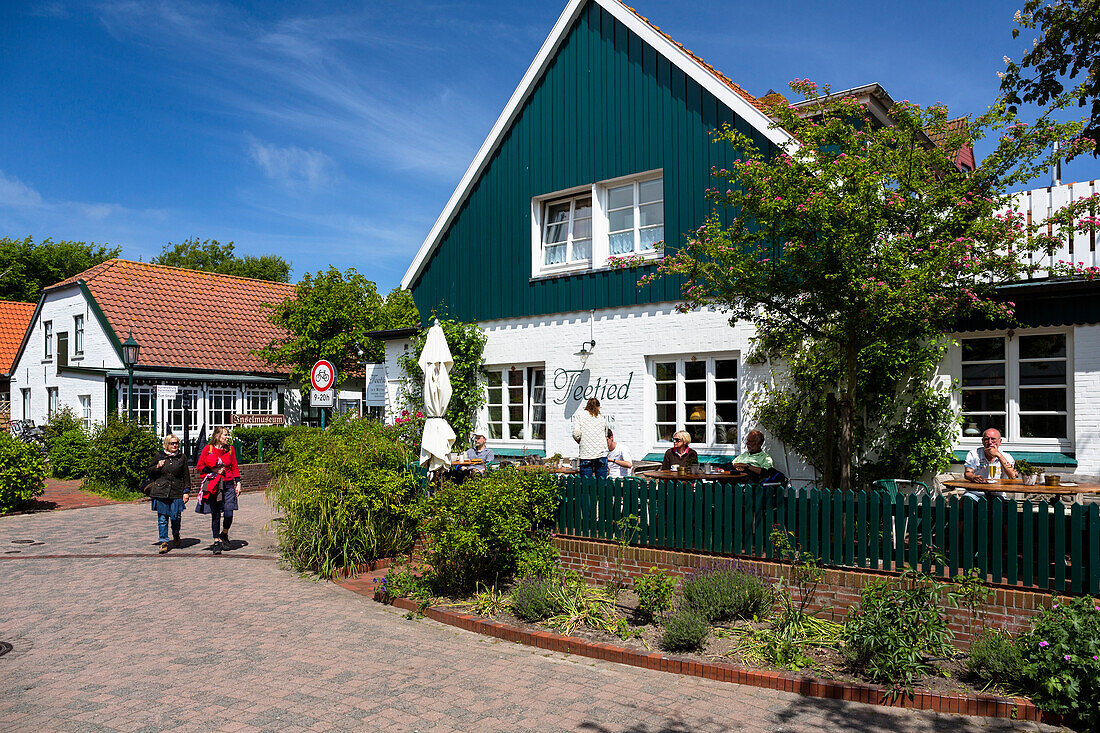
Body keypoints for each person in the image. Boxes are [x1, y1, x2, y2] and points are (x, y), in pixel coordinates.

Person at [195, 426, 241, 554]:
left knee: (229, 513)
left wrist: (238, 483)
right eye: (225, 435)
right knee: (215, 514)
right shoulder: (208, 449)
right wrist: (212, 470)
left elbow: (235, 467)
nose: (227, 437)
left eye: (227, 435)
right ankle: (216, 541)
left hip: (228, 485)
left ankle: (224, 533)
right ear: (217, 436)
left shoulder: (230, 449)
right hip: (215, 486)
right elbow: (199, 467)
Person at [146, 434, 190, 554]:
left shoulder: (182, 458)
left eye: (176, 443)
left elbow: (186, 476)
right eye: (172, 443)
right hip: (161, 491)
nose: (175, 445)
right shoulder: (159, 456)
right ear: (166, 444)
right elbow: (149, 471)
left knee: (176, 517)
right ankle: (164, 542)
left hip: (176, 491)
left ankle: (176, 533)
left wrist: (186, 492)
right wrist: (157, 466)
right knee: (162, 518)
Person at [963, 427, 1017, 500]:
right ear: (982, 441)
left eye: (993, 439)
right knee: (965, 500)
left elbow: (1012, 475)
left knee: (1006, 508)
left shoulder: (1006, 456)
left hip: (997, 493)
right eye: (986, 439)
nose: (990, 442)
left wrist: (998, 455)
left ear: (1000, 441)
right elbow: (967, 473)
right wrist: (973, 477)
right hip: (976, 493)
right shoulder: (974, 454)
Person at [572, 398, 609, 478]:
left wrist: (581, 441)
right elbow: (605, 433)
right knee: (602, 484)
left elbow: (576, 434)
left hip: (586, 454)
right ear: (598, 407)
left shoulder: (580, 415)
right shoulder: (601, 417)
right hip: (601, 453)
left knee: (586, 485)